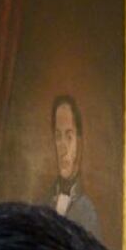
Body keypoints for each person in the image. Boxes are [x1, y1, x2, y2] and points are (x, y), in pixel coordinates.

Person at [47, 97, 100, 241]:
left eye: (69, 137)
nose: (62, 148)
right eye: (58, 137)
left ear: (79, 143)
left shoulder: (88, 214)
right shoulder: (42, 204)